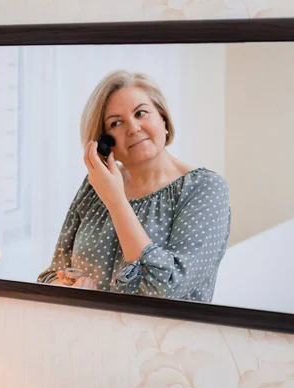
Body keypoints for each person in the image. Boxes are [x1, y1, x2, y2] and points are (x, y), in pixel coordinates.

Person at [37, 70, 231, 302]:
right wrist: (65, 287)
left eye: (141, 113)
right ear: (104, 141)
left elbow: (166, 288)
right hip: (87, 332)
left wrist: (116, 201)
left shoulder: (204, 188)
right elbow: (52, 273)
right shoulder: (94, 187)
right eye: (116, 123)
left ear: (163, 119)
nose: (133, 128)